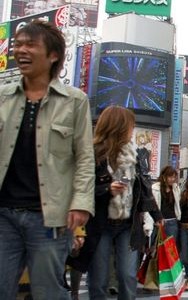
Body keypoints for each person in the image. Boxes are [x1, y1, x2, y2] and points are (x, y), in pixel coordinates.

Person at [0, 20, 94, 300]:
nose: (21, 50)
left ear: (53, 55)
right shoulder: (3, 96)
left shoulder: (74, 101)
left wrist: (80, 205)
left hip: (50, 218)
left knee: (48, 292)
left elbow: (84, 158)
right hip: (3, 213)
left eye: (30, 45)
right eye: (18, 44)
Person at [73, 106, 163, 299]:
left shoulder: (133, 154)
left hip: (128, 224)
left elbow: (144, 188)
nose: (133, 129)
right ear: (119, 126)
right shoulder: (93, 152)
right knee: (99, 278)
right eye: (130, 125)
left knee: (127, 275)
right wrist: (107, 190)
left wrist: (157, 216)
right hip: (100, 223)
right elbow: (81, 186)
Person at [146, 166, 180, 241]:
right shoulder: (155, 188)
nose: (173, 179)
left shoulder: (176, 188)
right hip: (158, 221)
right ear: (164, 176)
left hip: (172, 221)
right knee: (157, 248)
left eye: (174, 177)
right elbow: (151, 205)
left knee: (170, 248)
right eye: (170, 177)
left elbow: (177, 204)